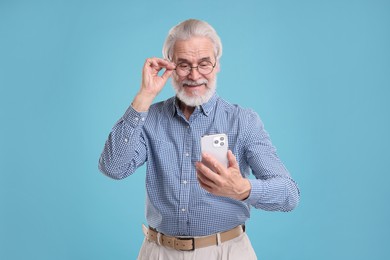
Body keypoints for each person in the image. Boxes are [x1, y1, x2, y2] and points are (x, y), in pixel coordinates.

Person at [98, 19, 300, 260]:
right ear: (169, 67)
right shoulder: (149, 118)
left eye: (204, 64)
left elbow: (289, 195)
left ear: (216, 66)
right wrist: (144, 96)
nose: (194, 75)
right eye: (183, 65)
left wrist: (243, 189)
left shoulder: (242, 121)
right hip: (159, 252)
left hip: (226, 252)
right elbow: (113, 168)